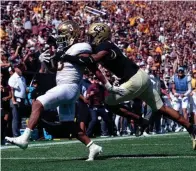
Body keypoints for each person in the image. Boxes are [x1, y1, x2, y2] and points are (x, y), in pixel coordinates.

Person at [61, 23, 196, 150]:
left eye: (91, 36)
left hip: (134, 80)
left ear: (99, 35)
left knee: (108, 103)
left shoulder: (105, 46)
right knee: (162, 108)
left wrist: (67, 57)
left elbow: (92, 59)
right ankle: (191, 129)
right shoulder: (104, 45)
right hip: (141, 76)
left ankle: (139, 120)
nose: (89, 39)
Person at [5, 21, 123, 161]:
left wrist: (107, 84)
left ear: (72, 34)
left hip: (69, 86)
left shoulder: (80, 47)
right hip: (67, 88)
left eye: (63, 34)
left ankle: (25, 138)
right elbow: (56, 71)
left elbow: (91, 66)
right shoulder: (65, 51)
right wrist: (45, 62)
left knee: (37, 103)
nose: (60, 37)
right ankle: (92, 146)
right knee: (67, 123)